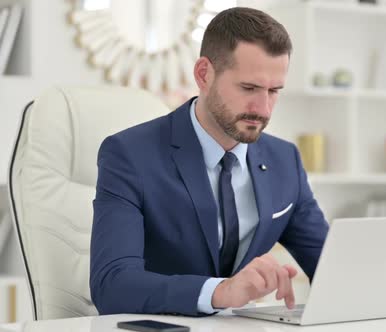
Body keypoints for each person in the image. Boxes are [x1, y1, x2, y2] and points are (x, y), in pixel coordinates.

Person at [90, 7, 329, 316]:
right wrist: (220, 291)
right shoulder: (129, 155)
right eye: (249, 88)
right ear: (204, 74)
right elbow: (112, 285)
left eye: (274, 91)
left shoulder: (285, 161)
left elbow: (331, 265)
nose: (263, 108)